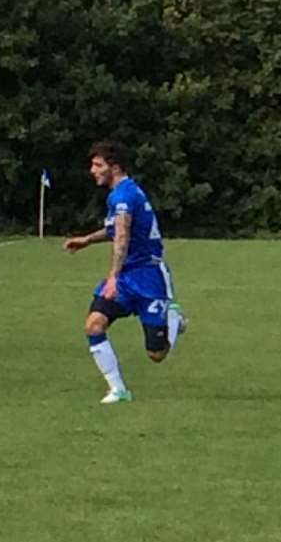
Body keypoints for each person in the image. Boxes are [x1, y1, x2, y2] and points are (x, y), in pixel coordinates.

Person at [63, 140, 188, 404]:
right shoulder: (121, 194)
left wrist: (113, 277)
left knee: (157, 354)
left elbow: (122, 236)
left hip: (148, 276)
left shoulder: (124, 196)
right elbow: (114, 230)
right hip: (127, 276)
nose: (92, 170)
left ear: (115, 167)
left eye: (98, 165)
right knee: (94, 325)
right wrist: (86, 240)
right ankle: (118, 390)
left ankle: (173, 318)